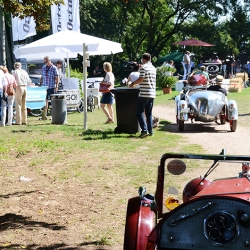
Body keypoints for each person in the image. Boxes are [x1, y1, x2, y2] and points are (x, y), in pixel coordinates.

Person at [128, 53, 156, 138]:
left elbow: (141, 79)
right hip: (152, 93)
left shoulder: (143, 67)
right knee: (149, 113)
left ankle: (144, 130)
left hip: (144, 93)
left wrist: (132, 83)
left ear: (143, 59)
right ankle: (150, 131)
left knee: (139, 112)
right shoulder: (153, 68)